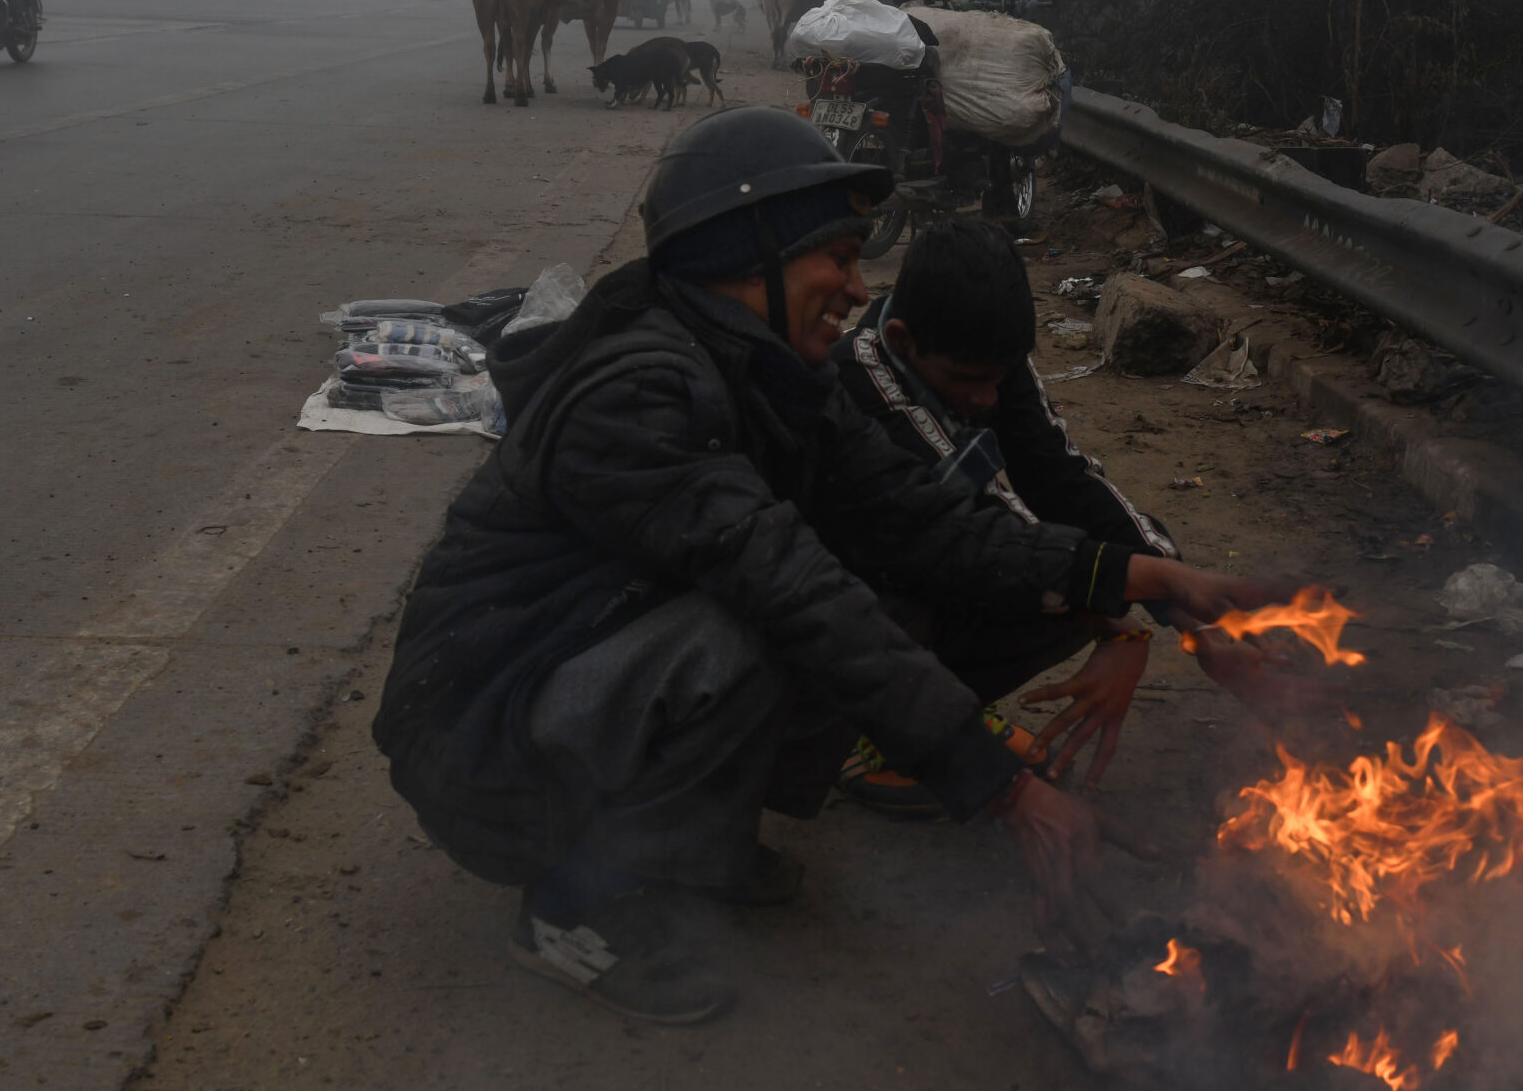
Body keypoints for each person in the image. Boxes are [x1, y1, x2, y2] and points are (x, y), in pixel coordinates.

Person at [371, 107, 1271, 1025]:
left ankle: (687, 852)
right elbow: (792, 590)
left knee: (867, 597)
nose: (855, 288)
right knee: (769, 627)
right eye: (837, 258)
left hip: (577, 675)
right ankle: (570, 908)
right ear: (745, 253)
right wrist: (1003, 787)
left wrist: (1147, 579)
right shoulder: (636, 395)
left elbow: (928, 522)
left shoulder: (773, 375)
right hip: (482, 735)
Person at [835, 216, 1185, 805]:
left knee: (1064, 570)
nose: (987, 400)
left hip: (931, 555)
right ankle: (882, 734)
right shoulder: (860, 383)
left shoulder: (983, 359)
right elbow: (977, 523)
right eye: (969, 382)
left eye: (1000, 379)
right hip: (842, 607)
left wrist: (1188, 599)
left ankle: (950, 707)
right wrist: (1118, 621)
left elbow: (1056, 472)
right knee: (1035, 572)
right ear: (901, 341)